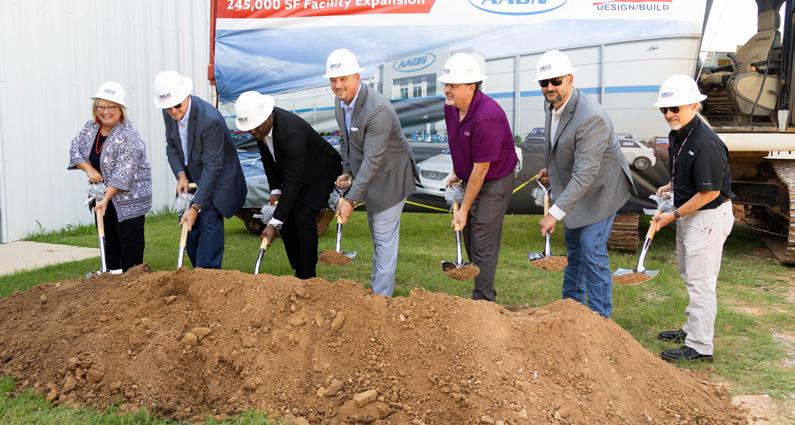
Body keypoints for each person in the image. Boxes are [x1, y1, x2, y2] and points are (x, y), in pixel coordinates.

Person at [534, 50, 635, 318]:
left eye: (556, 81)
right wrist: (551, 170)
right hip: (579, 187)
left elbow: (586, 174)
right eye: (544, 82)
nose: (549, 87)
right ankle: (571, 311)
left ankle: (601, 319)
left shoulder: (591, 116)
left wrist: (553, 214)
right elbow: (565, 147)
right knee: (575, 247)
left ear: (570, 78)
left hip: (602, 190)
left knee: (591, 247)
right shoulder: (553, 105)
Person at [652, 75, 734, 362]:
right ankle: (691, 329)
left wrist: (673, 215)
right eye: (664, 109)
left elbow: (710, 192)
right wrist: (671, 185)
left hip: (707, 217)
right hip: (690, 214)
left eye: (674, 108)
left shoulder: (706, 142)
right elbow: (688, 171)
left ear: (693, 105)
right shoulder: (679, 133)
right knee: (689, 275)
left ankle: (700, 346)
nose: (668, 114)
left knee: (701, 282)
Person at [324, 48, 417, 296]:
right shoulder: (341, 102)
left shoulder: (378, 110)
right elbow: (345, 140)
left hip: (391, 178)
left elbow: (372, 160)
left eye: (343, 79)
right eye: (333, 80)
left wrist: (351, 200)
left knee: (384, 238)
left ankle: (381, 299)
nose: (338, 85)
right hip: (372, 176)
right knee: (377, 235)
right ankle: (377, 291)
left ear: (357, 77)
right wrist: (346, 170)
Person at [234, 91, 342, 279]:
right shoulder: (260, 128)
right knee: (287, 220)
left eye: (255, 127)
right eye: (249, 128)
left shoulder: (291, 133)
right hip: (297, 172)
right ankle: (298, 267)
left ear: (267, 117)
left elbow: (293, 182)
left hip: (320, 172)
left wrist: (273, 223)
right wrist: (275, 190)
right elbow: (268, 161)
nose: (252, 132)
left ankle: (307, 277)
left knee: (303, 218)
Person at [440, 53, 519, 302]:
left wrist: (463, 209)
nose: (447, 90)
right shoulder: (450, 107)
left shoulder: (487, 116)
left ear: (471, 87)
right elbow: (458, 143)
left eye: (453, 85)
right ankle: (482, 292)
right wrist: (457, 170)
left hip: (496, 180)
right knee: (469, 235)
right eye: (446, 84)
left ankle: (483, 301)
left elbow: (481, 170)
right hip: (472, 176)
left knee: (482, 236)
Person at [153, 70, 247, 269]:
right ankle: (199, 275)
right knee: (190, 233)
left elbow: (213, 167)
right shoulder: (169, 112)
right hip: (192, 175)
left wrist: (196, 207)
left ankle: (209, 276)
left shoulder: (209, 120)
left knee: (209, 225)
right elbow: (172, 146)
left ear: (186, 96)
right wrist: (181, 175)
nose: (173, 112)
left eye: (177, 106)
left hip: (218, 179)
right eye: (168, 108)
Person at [68, 81, 152, 271]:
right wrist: (89, 170)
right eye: (100, 106)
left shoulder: (129, 135)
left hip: (130, 198)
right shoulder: (90, 128)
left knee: (129, 244)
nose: (105, 111)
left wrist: (105, 198)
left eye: (111, 107)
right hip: (102, 195)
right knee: (108, 241)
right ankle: (111, 279)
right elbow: (75, 150)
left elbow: (125, 172)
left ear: (121, 109)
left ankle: (132, 281)